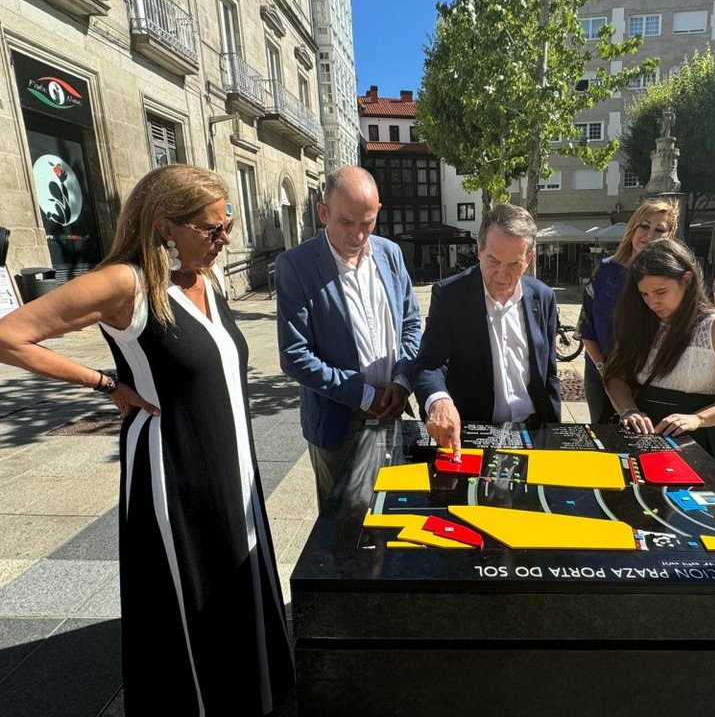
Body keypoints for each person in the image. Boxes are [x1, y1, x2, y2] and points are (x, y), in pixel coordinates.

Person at [0, 164, 294, 714]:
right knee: (190, 588)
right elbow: (8, 335)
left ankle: (248, 692)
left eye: (226, 223)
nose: (223, 238)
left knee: (238, 572)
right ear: (165, 225)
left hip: (231, 461)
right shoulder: (124, 283)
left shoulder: (204, 279)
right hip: (173, 468)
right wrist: (104, 382)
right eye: (212, 229)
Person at [276, 165, 421, 509]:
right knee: (343, 528)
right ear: (323, 212)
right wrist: (365, 394)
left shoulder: (390, 253)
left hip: (393, 409)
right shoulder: (295, 265)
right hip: (338, 423)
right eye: (346, 222)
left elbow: (412, 325)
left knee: (393, 511)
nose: (358, 235)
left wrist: (402, 382)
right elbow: (295, 355)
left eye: (367, 223)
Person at [414, 202, 560, 459]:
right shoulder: (449, 295)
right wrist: (439, 401)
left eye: (514, 264)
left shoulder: (543, 297)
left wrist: (554, 432)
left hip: (533, 433)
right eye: (493, 260)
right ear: (479, 250)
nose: (502, 275)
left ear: (529, 258)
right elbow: (429, 362)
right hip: (472, 435)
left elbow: (548, 375)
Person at [603, 239, 715, 476]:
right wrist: (629, 410)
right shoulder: (638, 321)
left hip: (702, 439)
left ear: (686, 280)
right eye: (644, 294)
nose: (652, 302)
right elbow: (614, 375)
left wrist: (698, 418)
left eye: (660, 292)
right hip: (643, 436)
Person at [578, 199, 679, 422]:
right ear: (632, 227)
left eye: (659, 229)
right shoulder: (605, 271)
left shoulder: (669, 278)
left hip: (646, 377)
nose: (649, 235)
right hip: (601, 370)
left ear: (668, 236)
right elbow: (586, 328)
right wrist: (604, 369)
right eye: (644, 226)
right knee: (604, 438)